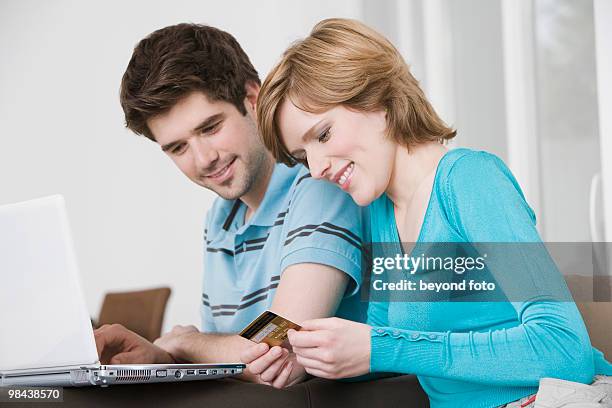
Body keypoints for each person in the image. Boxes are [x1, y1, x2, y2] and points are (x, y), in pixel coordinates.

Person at [248, 18, 612, 407]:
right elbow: (394, 343)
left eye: (323, 135)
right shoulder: (381, 214)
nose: (317, 167)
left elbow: (563, 348)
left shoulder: (469, 180)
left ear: (378, 100)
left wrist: (378, 347)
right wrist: (314, 358)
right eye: (303, 157)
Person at [94, 22, 368, 388]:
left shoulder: (317, 184)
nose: (204, 158)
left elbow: (276, 346)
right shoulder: (221, 219)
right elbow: (229, 362)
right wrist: (165, 357)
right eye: (178, 148)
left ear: (252, 99)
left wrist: (186, 342)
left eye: (210, 127)